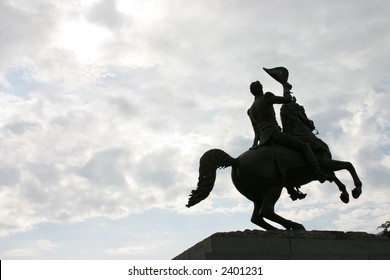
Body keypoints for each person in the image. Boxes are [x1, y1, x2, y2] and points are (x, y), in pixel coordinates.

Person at [247, 81, 332, 184]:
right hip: (274, 134)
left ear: (252, 92)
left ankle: (291, 187)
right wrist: (286, 88)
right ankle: (319, 173)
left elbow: (256, 132)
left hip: (263, 139)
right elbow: (287, 100)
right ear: (261, 88)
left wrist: (255, 145)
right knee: (304, 146)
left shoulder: (250, 110)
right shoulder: (266, 98)